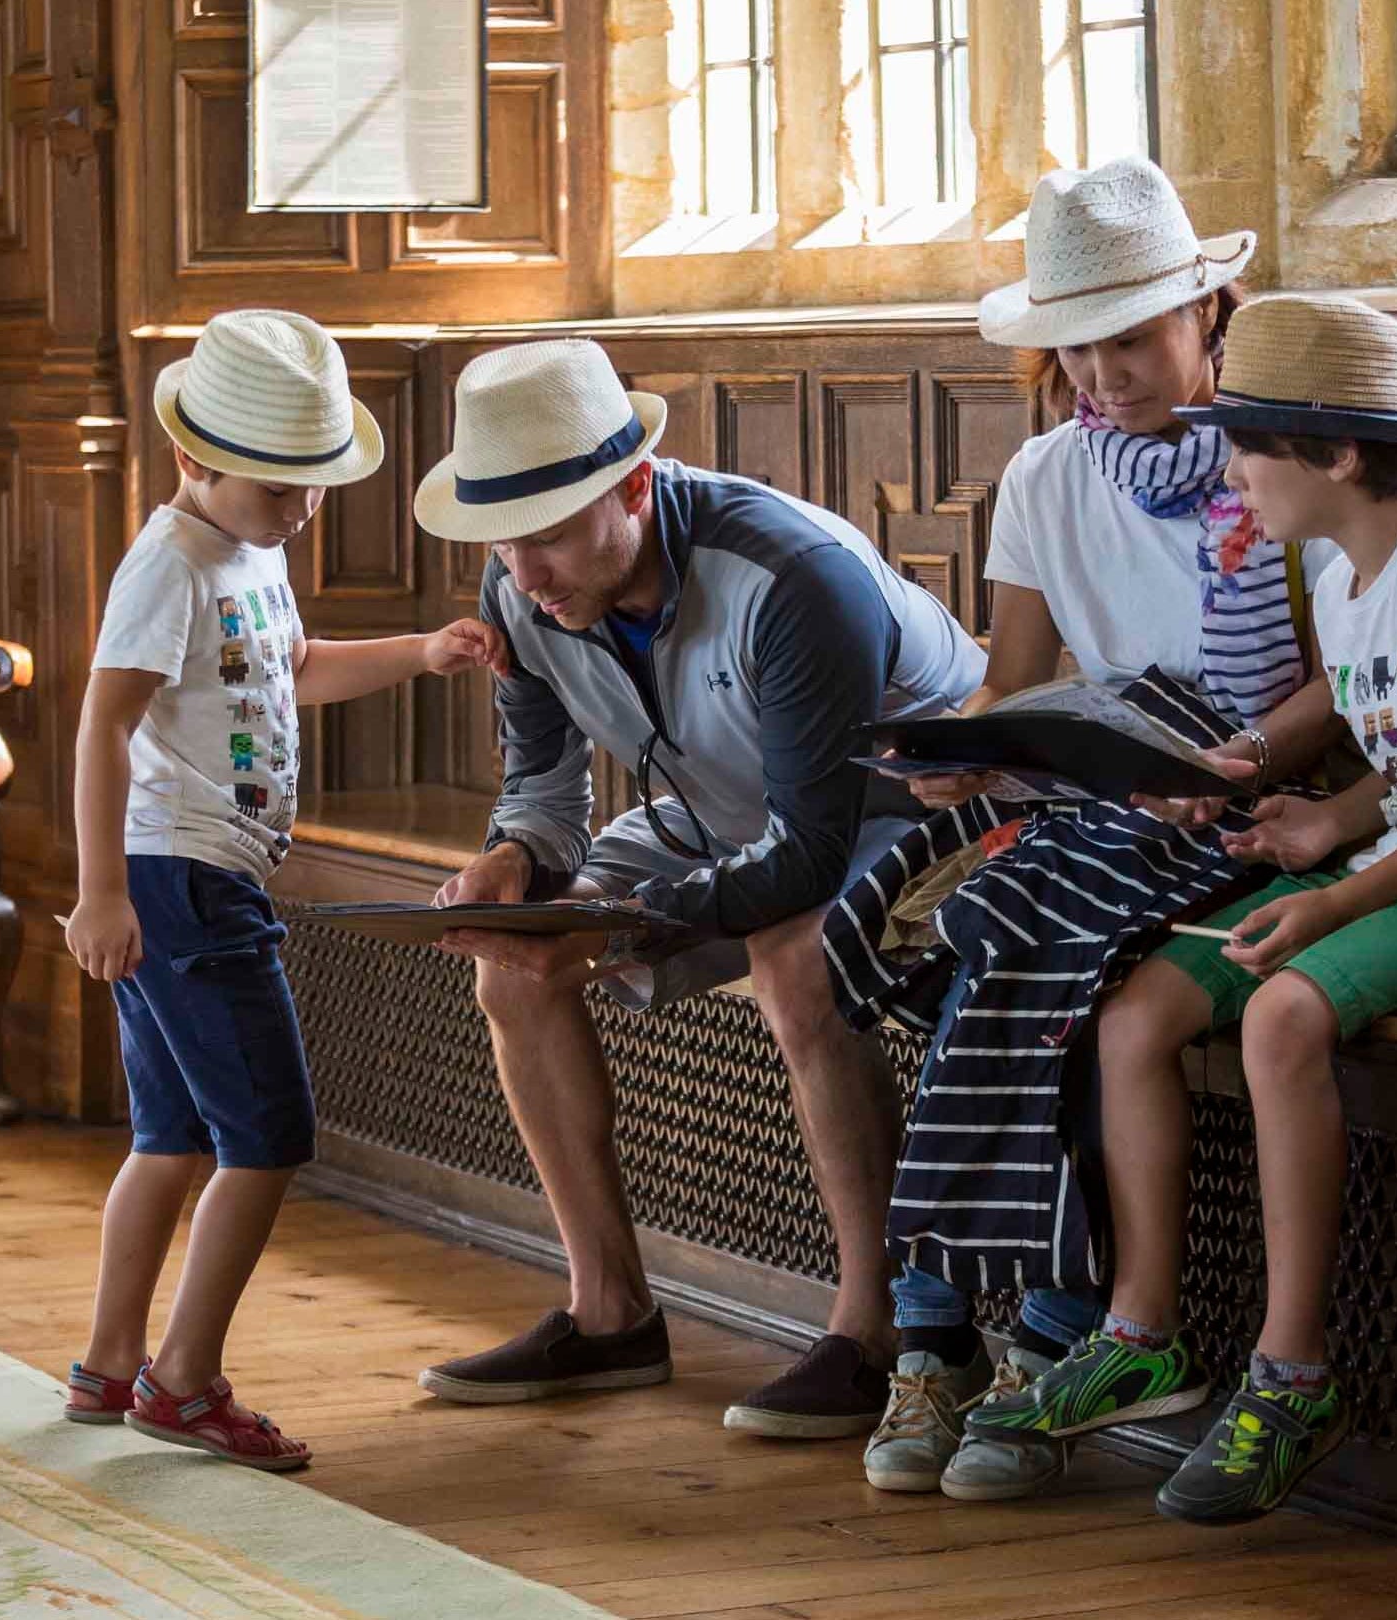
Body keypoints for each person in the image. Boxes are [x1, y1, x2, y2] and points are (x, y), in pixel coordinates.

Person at [961, 293, 1397, 1525]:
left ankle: (1292, 1370)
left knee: (1278, 1019)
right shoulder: (1353, 576)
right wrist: (1325, 822)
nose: (1229, 469)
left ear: (1329, 456)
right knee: (1140, 1007)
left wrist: (1330, 905)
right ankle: (1144, 1334)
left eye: (1250, 444)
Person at [820, 154, 1350, 1503]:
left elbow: (1352, 679)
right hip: (1101, 804)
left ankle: (1028, 1346)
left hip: (1252, 810)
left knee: (1030, 952)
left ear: (1207, 312)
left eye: (1131, 339)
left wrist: (1227, 760)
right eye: (1078, 351)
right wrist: (970, 760)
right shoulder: (1051, 473)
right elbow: (1014, 678)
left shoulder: (1280, 465)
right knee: (899, 933)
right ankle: (941, 1339)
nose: (1105, 375)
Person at [408, 338, 985, 1440]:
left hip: (913, 817)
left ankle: (876, 1335)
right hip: (720, 818)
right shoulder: (525, 580)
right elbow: (541, 780)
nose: (522, 579)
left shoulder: (792, 576)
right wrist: (515, 864)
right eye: (503, 546)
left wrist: (621, 926)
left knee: (796, 955)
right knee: (512, 975)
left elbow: (811, 854)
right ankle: (612, 1313)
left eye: (545, 541)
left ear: (633, 486)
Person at [61, 308, 506, 1470]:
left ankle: (112, 1361)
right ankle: (184, 1379)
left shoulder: (251, 549)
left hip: (198, 876)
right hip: (182, 878)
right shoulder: (168, 562)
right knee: (269, 1136)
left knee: (172, 1134)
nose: (301, 509)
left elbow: (287, 671)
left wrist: (418, 651)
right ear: (193, 460)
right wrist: (98, 891)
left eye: (314, 487)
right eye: (276, 490)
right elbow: (101, 727)